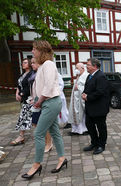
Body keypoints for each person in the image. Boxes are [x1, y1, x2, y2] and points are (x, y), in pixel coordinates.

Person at [22, 40, 67, 180]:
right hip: (47, 103)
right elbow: (39, 87)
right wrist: (36, 100)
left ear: (41, 50)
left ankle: (36, 164)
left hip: (51, 102)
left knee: (39, 133)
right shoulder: (42, 66)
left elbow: (48, 87)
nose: (32, 51)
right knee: (54, 132)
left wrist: (39, 101)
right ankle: (62, 158)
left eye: (34, 49)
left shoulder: (48, 64)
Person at [82, 58, 110, 155]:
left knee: (101, 127)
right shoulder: (89, 76)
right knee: (89, 125)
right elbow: (87, 88)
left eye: (88, 65)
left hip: (99, 107)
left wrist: (88, 97)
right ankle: (94, 143)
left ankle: (101, 145)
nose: (86, 66)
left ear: (95, 66)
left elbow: (100, 92)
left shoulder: (100, 76)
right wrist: (84, 94)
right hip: (90, 107)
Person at [29, 58, 53, 153]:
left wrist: (40, 100)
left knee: (43, 124)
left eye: (34, 63)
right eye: (31, 63)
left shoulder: (42, 72)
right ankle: (44, 142)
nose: (32, 65)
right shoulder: (33, 73)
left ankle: (49, 143)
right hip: (35, 101)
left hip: (42, 101)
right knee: (35, 123)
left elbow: (46, 87)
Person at [10, 58, 33, 146]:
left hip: (30, 99)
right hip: (25, 99)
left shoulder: (31, 74)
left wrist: (21, 94)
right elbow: (19, 85)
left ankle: (45, 135)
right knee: (23, 117)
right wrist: (17, 93)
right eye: (22, 62)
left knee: (33, 118)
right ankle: (21, 136)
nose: (23, 64)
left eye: (25, 62)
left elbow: (29, 87)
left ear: (30, 64)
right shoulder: (23, 74)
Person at [68, 63, 89, 135]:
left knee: (81, 115)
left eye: (77, 68)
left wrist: (79, 88)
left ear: (82, 68)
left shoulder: (86, 76)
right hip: (75, 99)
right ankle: (75, 129)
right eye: (75, 68)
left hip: (80, 99)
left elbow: (87, 87)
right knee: (75, 114)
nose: (76, 70)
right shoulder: (79, 76)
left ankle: (82, 129)